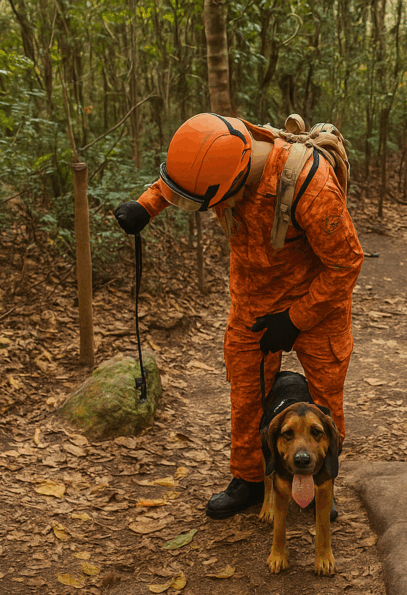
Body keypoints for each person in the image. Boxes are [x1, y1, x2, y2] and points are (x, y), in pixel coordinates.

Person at [113, 113, 363, 520]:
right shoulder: (220, 145)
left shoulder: (311, 187)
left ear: (234, 182)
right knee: (246, 395)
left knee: (323, 401)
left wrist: (296, 319)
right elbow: (186, 174)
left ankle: (320, 482)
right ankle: (248, 479)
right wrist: (147, 205)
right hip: (252, 300)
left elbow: (346, 264)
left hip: (318, 307)